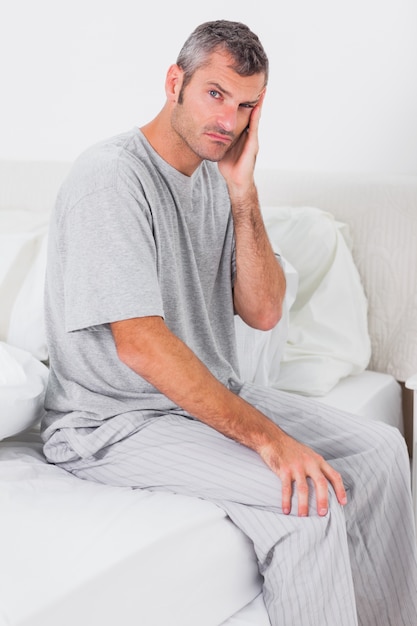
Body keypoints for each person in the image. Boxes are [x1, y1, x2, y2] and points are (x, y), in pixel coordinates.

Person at [42, 19, 417, 626]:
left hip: (205, 401)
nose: (229, 119)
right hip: (110, 423)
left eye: (246, 105)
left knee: (380, 450)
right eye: (215, 93)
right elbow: (140, 344)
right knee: (310, 501)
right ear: (175, 82)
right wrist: (273, 442)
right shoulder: (111, 177)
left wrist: (242, 191)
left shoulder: (216, 179)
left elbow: (264, 311)